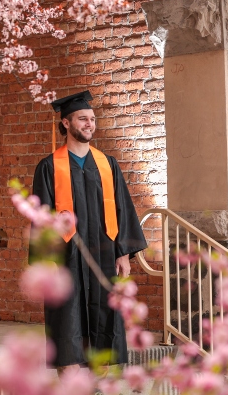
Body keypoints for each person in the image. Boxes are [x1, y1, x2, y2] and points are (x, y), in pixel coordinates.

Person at [31, 90, 147, 372]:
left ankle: (99, 386)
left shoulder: (107, 165)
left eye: (92, 119)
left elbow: (122, 209)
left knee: (103, 326)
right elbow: (42, 220)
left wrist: (123, 255)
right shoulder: (49, 167)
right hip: (66, 259)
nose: (90, 124)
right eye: (83, 119)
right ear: (67, 124)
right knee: (67, 327)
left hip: (103, 258)